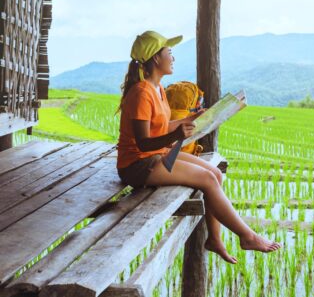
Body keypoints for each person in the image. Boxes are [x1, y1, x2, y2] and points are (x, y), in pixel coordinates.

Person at [116, 30, 281, 263]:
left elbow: (160, 126)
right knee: (207, 179)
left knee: (214, 173)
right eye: (169, 52)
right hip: (138, 165)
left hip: (156, 155)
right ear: (156, 58)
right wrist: (175, 134)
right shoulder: (142, 93)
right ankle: (248, 236)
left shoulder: (157, 89)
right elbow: (142, 142)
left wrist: (190, 120)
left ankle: (214, 239)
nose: (172, 58)